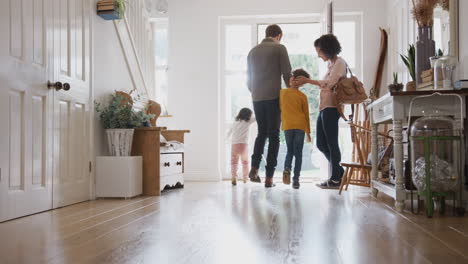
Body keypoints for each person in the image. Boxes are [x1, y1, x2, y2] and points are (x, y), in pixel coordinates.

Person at [295, 34, 346, 189]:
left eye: (319, 51)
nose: (318, 54)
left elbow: (330, 84)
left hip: (332, 108)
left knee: (331, 143)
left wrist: (308, 81)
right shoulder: (331, 65)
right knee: (321, 143)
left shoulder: (339, 63)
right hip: (324, 107)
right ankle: (340, 173)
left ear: (327, 49)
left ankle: (336, 179)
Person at [247, 24, 292, 188]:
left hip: (257, 97)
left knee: (261, 133)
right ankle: (269, 178)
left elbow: (248, 79)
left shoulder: (252, 51)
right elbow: (287, 73)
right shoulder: (279, 48)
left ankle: (254, 167)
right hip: (273, 97)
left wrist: (256, 91)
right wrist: (291, 91)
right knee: (273, 135)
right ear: (279, 35)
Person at [280, 69, 312, 189]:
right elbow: (306, 115)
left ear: (293, 79)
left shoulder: (282, 93)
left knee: (290, 151)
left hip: (288, 125)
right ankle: (296, 180)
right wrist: (308, 133)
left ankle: (287, 168)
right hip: (300, 126)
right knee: (298, 154)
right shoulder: (303, 96)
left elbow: (279, 109)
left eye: (292, 76)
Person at [227, 108, 256, 186]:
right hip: (244, 145)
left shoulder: (235, 122)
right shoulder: (248, 121)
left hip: (234, 145)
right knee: (245, 163)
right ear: (248, 115)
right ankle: (245, 178)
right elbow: (256, 118)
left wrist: (226, 140)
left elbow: (229, 132)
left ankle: (233, 177)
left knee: (233, 162)